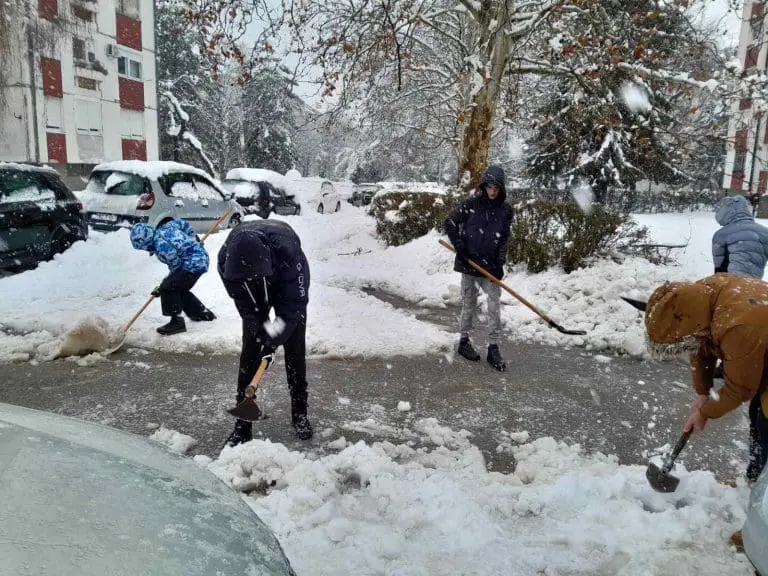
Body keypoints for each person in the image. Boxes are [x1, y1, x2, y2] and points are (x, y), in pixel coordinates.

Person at [644, 274, 768, 546]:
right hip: (761, 351)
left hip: (757, 343)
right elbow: (701, 349)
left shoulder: (737, 324)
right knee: (760, 419)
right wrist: (702, 393)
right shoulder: (702, 298)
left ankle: (761, 534)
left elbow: (739, 389)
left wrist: (705, 412)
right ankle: (755, 480)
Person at [218, 219, 312, 446]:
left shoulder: (289, 254)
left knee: (294, 350)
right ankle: (242, 425)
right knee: (250, 353)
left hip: (283, 284)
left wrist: (272, 342)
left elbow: (293, 306)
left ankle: (300, 414)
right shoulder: (226, 264)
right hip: (253, 291)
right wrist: (261, 336)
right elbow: (247, 309)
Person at [444, 165, 513, 371]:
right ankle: (463, 342)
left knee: (494, 307)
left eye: (496, 188)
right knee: (470, 305)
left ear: (501, 188)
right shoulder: (472, 204)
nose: (492, 191)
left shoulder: (505, 210)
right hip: (469, 264)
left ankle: (493, 347)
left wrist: (499, 263)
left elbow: (504, 239)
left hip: (490, 267)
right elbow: (449, 223)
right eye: (489, 187)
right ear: (484, 186)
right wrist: (461, 248)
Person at [130, 219, 215, 335]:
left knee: (168, 288)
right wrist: (193, 237)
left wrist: (162, 287)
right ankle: (201, 313)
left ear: (145, 242)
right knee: (178, 288)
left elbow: (176, 267)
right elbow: (182, 223)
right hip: (200, 259)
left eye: (142, 247)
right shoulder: (166, 227)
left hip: (193, 264)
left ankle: (176, 323)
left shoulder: (161, 247)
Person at [712, 194, 768, 278]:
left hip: (731, 283)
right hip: (754, 285)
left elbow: (718, 266)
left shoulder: (721, 234)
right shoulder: (764, 232)